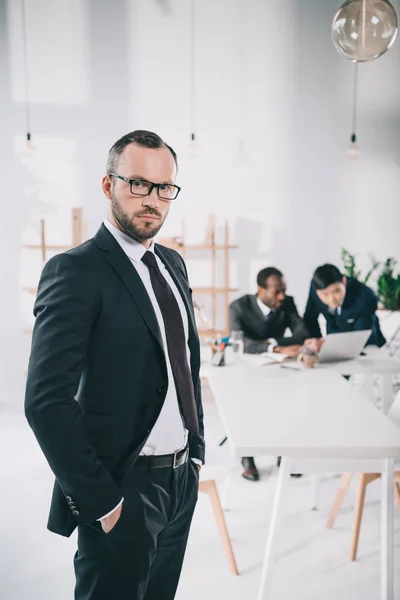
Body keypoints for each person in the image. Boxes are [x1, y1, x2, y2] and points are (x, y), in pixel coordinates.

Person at [25, 130, 205, 600]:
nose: (153, 200)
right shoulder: (76, 271)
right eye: (139, 185)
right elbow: (46, 402)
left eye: (165, 188)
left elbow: (184, 359)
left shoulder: (172, 263)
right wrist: (101, 500)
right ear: (108, 186)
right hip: (124, 485)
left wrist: (197, 449)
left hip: (181, 479)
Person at [229, 267, 310, 481]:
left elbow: (303, 333)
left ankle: (284, 455)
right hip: (246, 369)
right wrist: (274, 348)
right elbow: (239, 341)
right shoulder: (238, 306)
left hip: (278, 367)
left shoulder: (287, 303)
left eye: (284, 290)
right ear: (260, 290)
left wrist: (274, 344)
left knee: (288, 404)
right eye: (277, 291)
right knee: (246, 407)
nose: (282, 296)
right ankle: (247, 458)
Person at [304, 263, 386, 348]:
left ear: (344, 281)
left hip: (367, 345)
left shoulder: (365, 296)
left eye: (337, 291)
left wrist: (330, 344)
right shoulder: (316, 288)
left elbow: (361, 336)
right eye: (325, 294)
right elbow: (310, 318)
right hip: (333, 338)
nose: (331, 299)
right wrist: (317, 343)